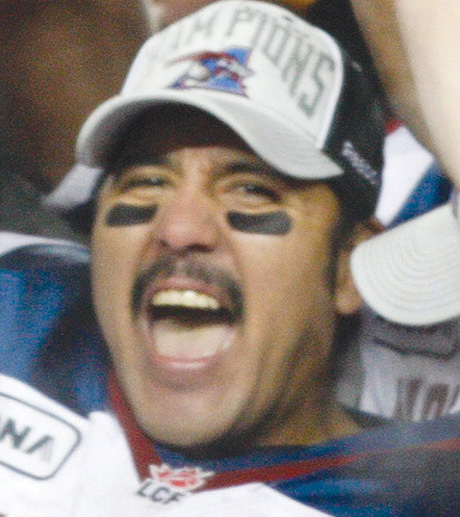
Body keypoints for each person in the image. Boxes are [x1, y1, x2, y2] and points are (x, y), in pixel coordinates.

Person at [2, 2, 460, 515]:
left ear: (349, 265)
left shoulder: (420, 496)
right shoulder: (19, 307)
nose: (178, 229)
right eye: (147, 181)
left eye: (251, 190)